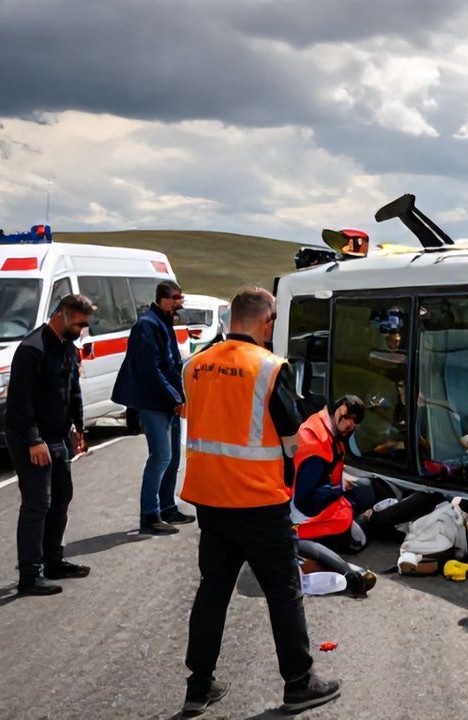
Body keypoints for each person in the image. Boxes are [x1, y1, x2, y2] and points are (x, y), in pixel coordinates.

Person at [179, 287, 339, 717]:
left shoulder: (193, 365)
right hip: (257, 501)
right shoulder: (270, 368)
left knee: (213, 590)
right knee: (284, 593)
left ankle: (199, 685)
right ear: (267, 321)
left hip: (209, 500)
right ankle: (299, 683)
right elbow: (292, 440)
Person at [5, 294, 95, 596]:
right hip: (30, 439)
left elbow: (73, 392)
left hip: (57, 437)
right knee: (37, 503)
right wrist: (34, 440)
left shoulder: (68, 349)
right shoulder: (33, 349)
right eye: (80, 323)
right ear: (63, 315)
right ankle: (29, 575)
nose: (83, 330)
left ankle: (53, 561)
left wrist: (78, 427)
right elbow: (19, 402)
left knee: (61, 497)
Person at [112, 280, 191, 535]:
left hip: (169, 400)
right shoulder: (147, 325)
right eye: (177, 298)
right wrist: (174, 397)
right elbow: (150, 369)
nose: (180, 303)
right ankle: (149, 515)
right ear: (163, 299)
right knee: (161, 456)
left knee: (174, 456)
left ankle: (168, 507)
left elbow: (170, 363)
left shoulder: (164, 322)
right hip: (154, 400)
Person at [292, 395, 368, 551]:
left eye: (355, 421)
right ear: (335, 412)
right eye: (347, 417)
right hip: (303, 520)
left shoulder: (324, 428)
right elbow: (304, 500)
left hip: (308, 507)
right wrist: (337, 491)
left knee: (362, 491)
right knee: (358, 538)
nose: (350, 424)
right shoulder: (315, 445)